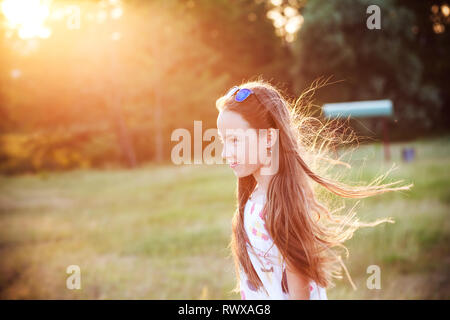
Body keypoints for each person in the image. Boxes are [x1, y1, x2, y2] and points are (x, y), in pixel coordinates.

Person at [215, 78, 413, 300]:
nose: (225, 153)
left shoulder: (283, 207)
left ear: (269, 137)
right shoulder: (252, 202)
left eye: (234, 140)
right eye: (224, 141)